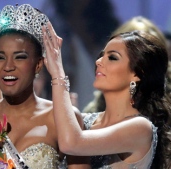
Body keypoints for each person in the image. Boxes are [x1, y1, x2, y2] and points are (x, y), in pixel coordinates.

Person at [0, 4, 89, 169]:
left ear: (38, 64)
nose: (8, 66)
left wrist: (58, 74)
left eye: (19, 57)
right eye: (0, 57)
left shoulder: (60, 119)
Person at [43, 22, 171, 168]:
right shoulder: (85, 120)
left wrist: (58, 74)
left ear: (137, 74)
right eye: (101, 55)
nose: (98, 61)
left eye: (112, 58)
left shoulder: (140, 128)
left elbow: (71, 143)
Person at [83, 16, 170, 114]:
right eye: (103, 55)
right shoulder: (95, 109)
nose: (99, 61)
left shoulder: (141, 123)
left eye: (113, 57)